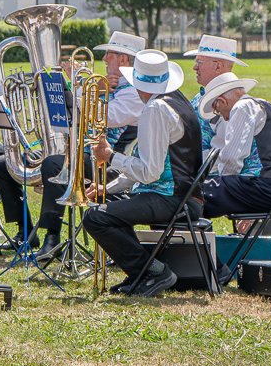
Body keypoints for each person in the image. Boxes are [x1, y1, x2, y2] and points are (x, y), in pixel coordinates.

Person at [0, 32, 145, 256]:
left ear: (123, 59)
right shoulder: (106, 84)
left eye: (109, 54)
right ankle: (25, 232)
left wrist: (79, 85)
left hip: (107, 163)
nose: (103, 59)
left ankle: (52, 238)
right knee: (2, 165)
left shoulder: (133, 93)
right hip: (81, 152)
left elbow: (104, 117)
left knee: (54, 164)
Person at [82, 50, 203, 297]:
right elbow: (149, 165)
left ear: (138, 84)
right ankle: (142, 274)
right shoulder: (176, 99)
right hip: (181, 195)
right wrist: (108, 189)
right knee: (109, 206)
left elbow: (149, 172)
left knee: (95, 218)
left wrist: (111, 157)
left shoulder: (155, 109)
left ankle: (151, 272)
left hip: (171, 197)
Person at [197, 73, 271, 219]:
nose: (224, 117)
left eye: (218, 111)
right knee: (202, 192)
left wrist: (222, 185)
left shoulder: (242, 107)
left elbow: (232, 158)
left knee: (192, 196)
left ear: (222, 101)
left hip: (264, 188)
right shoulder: (265, 106)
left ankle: (186, 232)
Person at [185, 35, 245, 156]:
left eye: (199, 62)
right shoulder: (200, 96)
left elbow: (224, 155)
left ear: (218, 66)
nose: (195, 67)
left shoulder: (229, 103)